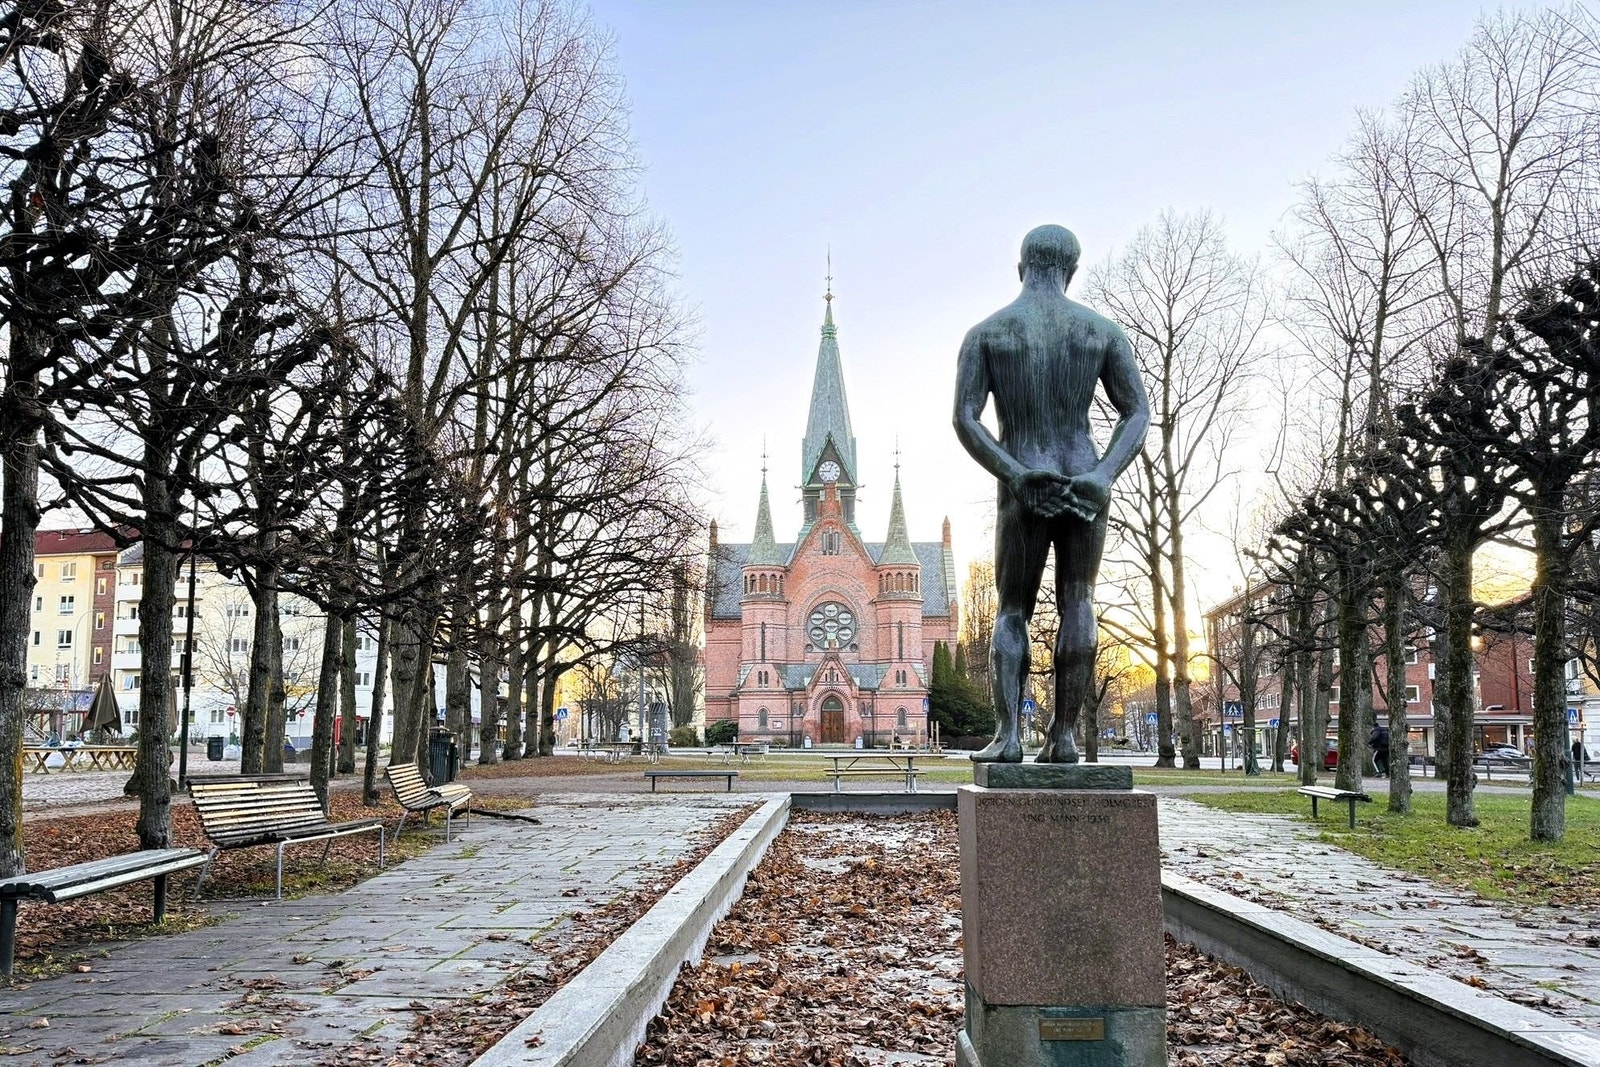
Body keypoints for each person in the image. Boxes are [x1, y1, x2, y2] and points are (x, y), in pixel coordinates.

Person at [954, 225, 1150, 763]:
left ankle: (1009, 737)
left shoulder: (988, 333)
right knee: (1079, 601)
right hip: (1085, 476)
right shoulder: (1101, 332)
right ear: (1072, 270)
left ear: (1022, 268)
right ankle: (1063, 740)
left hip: (1024, 482)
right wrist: (1103, 475)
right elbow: (1137, 412)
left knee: (1012, 609)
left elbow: (965, 420)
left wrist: (1015, 474)